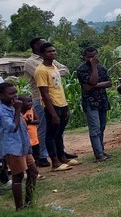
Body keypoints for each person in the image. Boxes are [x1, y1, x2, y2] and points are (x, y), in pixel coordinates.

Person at [24, 37, 70, 168]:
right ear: (36, 47)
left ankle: (59, 153)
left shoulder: (51, 63)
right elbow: (42, 82)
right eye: (42, 44)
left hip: (57, 99)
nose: (52, 53)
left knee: (57, 129)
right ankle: (43, 156)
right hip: (41, 99)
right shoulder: (32, 63)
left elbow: (65, 70)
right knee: (44, 128)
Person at [34, 42, 79, 171]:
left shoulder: (53, 66)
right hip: (52, 106)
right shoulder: (41, 71)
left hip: (62, 103)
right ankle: (55, 162)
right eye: (49, 51)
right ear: (42, 54)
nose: (52, 53)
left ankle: (62, 158)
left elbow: (58, 88)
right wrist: (53, 113)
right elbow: (45, 94)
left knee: (59, 133)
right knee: (51, 135)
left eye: (53, 51)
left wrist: (66, 106)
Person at [1, 84, 40, 210]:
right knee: (18, 176)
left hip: (23, 146)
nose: (15, 96)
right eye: (11, 94)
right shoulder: (2, 111)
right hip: (13, 148)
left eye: (15, 93)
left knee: (33, 172)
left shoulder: (11, 107)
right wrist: (18, 110)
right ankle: (20, 208)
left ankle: (29, 203)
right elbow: (12, 127)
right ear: (1, 95)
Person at [75, 47, 112, 162]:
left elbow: (109, 83)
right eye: (89, 56)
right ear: (85, 57)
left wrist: (94, 86)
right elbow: (92, 81)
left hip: (102, 101)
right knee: (95, 128)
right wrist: (94, 66)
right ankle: (98, 154)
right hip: (90, 102)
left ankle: (101, 150)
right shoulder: (82, 69)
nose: (92, 58)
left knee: (102, 127)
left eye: (94, 56)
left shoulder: (102, 68)